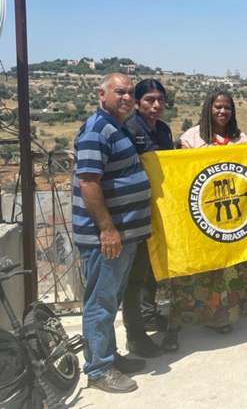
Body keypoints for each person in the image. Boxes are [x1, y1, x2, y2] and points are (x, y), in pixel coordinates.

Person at [72, 73, 150, 393]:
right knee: (101, 302)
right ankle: (99, 369)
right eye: (120, 92)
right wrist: (107, 229)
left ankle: (108, 356)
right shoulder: (96, 130)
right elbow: (89, 183)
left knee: (110, 299)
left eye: (130, 92)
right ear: (101, 94)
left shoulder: (116, 127)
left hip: (123, 234)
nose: (127, 98)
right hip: (105, 237)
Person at [167, 90, 247, 348]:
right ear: (208, 108)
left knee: (225, 271)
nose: (222, 112)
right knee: (195, 271)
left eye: (227, 108)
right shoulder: (191, 138)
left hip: (230, 219)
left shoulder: (241, 139)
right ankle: (181, 318)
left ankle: (220, 317)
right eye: (217, 107)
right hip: (199, 218)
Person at [122, 79, 174, 358]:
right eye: (149, 100)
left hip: (160, 209)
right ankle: (136, 333)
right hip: (135, 212)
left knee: (154, 267)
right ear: (138, 102)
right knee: (136, 275)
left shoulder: (164, 130)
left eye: (160, 100)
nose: (155, 105)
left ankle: (150, 314)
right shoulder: (129, 129)